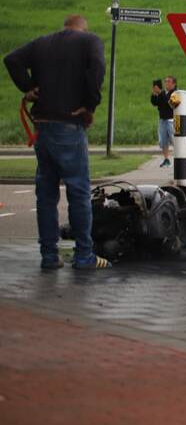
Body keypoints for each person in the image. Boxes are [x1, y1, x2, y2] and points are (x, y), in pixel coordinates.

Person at [4, 15, 109, 269]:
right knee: (79, 191)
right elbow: (96, 69)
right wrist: (89, 105)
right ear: (83, 28)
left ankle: (49, 256)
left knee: (46, 194)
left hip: (42, 127)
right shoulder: (90, 41)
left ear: (65, 26)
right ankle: (84, 255)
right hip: (69, 125)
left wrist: (28, 88)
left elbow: (11, 60)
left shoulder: (41, 43)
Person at [151, 75, 177, 167]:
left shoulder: (175, 93)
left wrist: (161, 93)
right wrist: (154, 94)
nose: (166, 83)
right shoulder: (164, 93)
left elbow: (168, 102)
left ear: (174, 83)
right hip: (162, 120)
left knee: (174, 140)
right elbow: (155, 103)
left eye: (169, 81)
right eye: (165, 81)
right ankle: (166, 159)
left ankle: (179, 158)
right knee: (163, 141)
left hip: (171, 120)